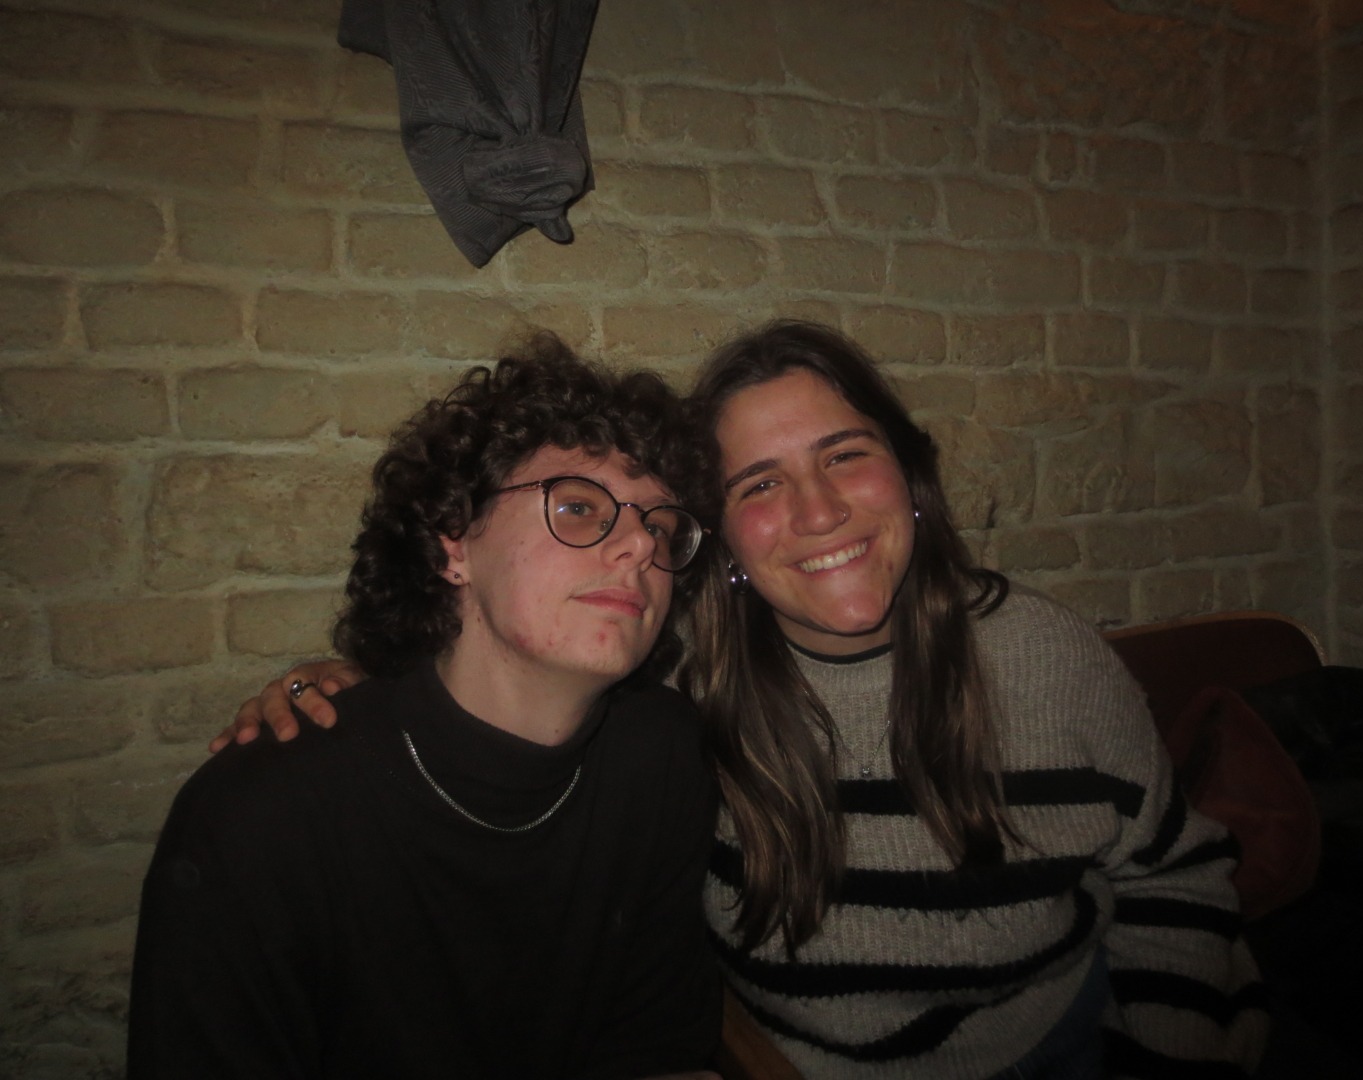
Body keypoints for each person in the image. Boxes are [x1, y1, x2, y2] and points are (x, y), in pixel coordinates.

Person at [222, 323, 1268, 1078]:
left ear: (910, 478)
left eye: (845, 455)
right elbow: (511, 686)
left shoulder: (1046, 657)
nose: (818, 511)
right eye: (759, 484)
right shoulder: (674, 691)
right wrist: (366, 686)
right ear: (718, 540)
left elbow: (1173, 878)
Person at [129, 337, 722, 1079]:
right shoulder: (260, 814)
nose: (638, 545)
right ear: (454, 546)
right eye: (578, 507)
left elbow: (658, 1049)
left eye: (661, 526)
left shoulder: (661, 755)